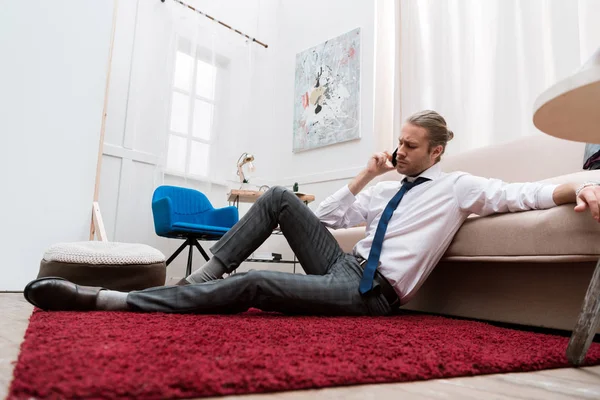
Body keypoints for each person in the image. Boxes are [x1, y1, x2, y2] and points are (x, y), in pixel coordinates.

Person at [24, 110, 600, 316]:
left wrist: (581, 185)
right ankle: (204, 278)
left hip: (371, 294)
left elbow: (517, 194)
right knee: (277, 194)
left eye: (409, 146)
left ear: (437, 151)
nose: (399, 151)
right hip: (344, 265)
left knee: (256, 283)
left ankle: (115, 300)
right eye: (397, 142)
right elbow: (323, 218)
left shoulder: (456, 188)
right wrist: (368, 174)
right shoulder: (385, 184)